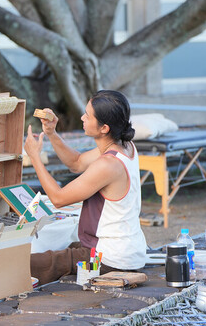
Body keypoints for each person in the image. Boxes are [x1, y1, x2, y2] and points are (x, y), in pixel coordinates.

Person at [24, 90, 147, 285]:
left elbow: (58, 198)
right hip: (126, 250)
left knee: (24, 264)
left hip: (111, 259)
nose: (82, 117)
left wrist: (34, 157)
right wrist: (51, 133)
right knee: (60, 246)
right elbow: (77, 162)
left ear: (104, 128)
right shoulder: (125, 146)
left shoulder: (108, 165)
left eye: (87, 115)